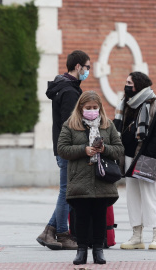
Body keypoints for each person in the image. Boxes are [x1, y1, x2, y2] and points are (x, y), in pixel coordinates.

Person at [57, 91, 123, 265]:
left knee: (100, 216)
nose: (92, 111)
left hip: (102, 179)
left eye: (95, 107)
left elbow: (119, 149)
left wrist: (104, 149)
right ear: (81, 108)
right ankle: (81, 251)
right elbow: (62, 148)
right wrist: (83, 150)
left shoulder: (107, 125)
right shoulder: (70, 125)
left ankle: (98, 251)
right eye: (88, 108)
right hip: (80, 179)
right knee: (82, 217)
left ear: (100, 108)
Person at [37, 50, 90, 250]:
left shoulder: (65, 87)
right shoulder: (69, 92)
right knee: (66, 192)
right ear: (78, 67)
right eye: (87, 67)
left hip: (63, 147)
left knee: (66, 191)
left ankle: (49, 231)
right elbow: (72, 124)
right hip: (68, 149)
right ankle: (62, 233)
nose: (88, 71)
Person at [114, 72, 156, 250]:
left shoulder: (154, 105)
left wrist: (146, 155)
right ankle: (137, 236)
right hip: (129, 157)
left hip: (148, 158)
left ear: (138, 85)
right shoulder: (125, 105)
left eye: (129, 83)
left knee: (151, 197)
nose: (126, 86)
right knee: (133, 198)